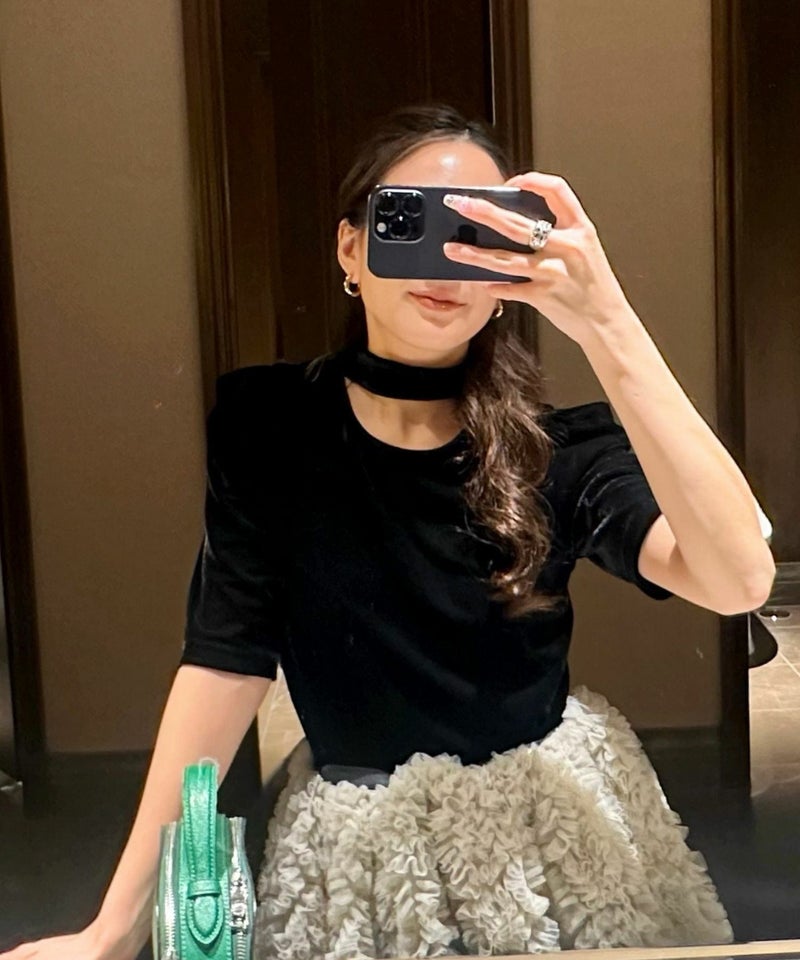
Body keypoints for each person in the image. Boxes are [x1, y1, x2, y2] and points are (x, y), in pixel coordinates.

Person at [2, 103, 775, 960]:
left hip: (553, 852)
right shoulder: (271, 427)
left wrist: (607, 320)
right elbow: (225, 659)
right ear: (350, 249)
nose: (444, 263)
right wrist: (114, 928)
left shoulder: (554, 448)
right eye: (411, 222)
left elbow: (738, 580)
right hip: (357, 860)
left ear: (515, 267)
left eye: (478, 235)